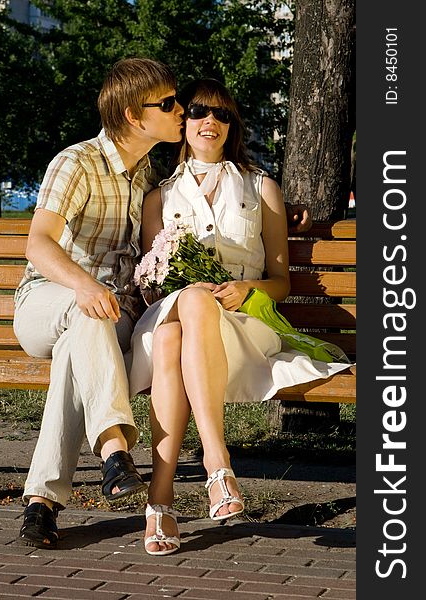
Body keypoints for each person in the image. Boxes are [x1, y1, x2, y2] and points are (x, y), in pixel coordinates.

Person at [128, 78, 350, 556]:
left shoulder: (261, 187)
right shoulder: (157, 199)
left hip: (243, 326)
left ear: (232, 126)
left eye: (222, 114)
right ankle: (217, 466)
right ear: (183, 123)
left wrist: (247, 287)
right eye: (200, 112)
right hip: (173, 319)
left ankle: (161, 501)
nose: (211, 121)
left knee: (185, 321)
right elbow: (152, 282)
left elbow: (281, 282)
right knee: (182, 313)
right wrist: (187, 286)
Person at [13, 57, 184, 549]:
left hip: (107, 322)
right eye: (168, 104)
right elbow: (39, 243)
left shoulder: (148, 173)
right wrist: (84, 286)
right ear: (134, 115)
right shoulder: (77, 162)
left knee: (80, 343)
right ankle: (113, 446)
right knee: (85, 311)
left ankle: (41, 504)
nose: (179, 112)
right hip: (46, 303)